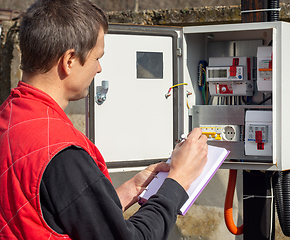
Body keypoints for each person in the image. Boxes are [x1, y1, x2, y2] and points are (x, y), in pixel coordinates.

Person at [0, 0, 208, 239]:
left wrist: (129, 190)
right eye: (97, 57)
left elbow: (60, 213)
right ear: (69, 61)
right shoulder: (62, 153)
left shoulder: (10, 116)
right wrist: (178, 181)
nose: (99, 69)